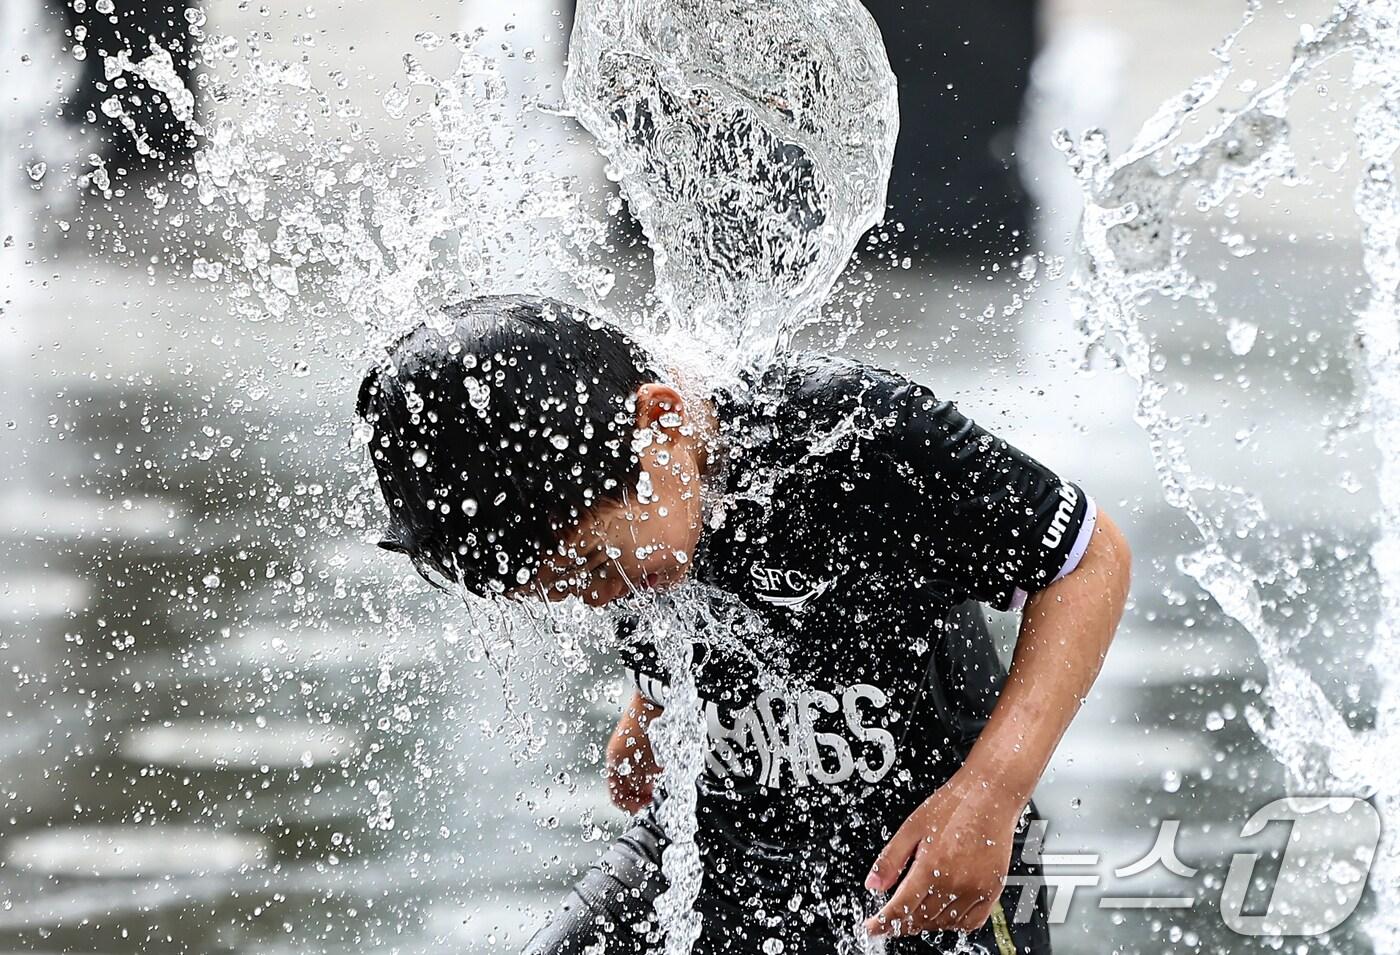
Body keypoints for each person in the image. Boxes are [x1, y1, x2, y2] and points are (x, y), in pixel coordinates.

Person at [355, 294, 1132, 954]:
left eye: (594, 566)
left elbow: (1090, 559)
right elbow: (709, 612)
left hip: (924, 856)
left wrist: (991, 793)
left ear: (660, 421)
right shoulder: (646, 506)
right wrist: (653, 704)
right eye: (560, 591)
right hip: (716, 844)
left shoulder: (850, 431)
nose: (596, 598)